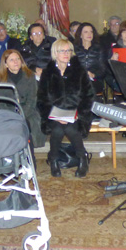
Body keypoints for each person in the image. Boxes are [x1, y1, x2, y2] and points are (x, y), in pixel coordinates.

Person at [36, 39, 95, 178]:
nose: (66, 53)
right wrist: (53, 115)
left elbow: (89, 96)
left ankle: (82, 159)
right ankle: (54, 160)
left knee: (71, 129)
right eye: (62, 51)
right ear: (55, 53)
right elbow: (42, 99)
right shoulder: (47, 73)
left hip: (76, 113)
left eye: (68, 50)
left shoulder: (79, 71)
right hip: (53, 114)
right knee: (57, 130)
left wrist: (78, 114)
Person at [0, 49, 45, 148]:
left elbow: (32, 99)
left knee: (29, 125)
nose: (16, 62)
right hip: (8, 112)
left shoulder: (30, 76)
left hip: (28, 111)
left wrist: (22, 114)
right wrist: (12, 115)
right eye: (11, 60)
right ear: (6, 64)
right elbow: (0, 102)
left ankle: (30, 151)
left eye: (18, 59)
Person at [73, 22, 107, 92]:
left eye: (91, 32)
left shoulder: (99, 49)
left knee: (87, 88)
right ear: (80, 35)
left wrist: (93, 75)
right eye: (86, 32)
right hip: (78, 79)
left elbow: (103, 69)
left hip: (95, 80)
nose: (89, 34)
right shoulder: (74, 49)